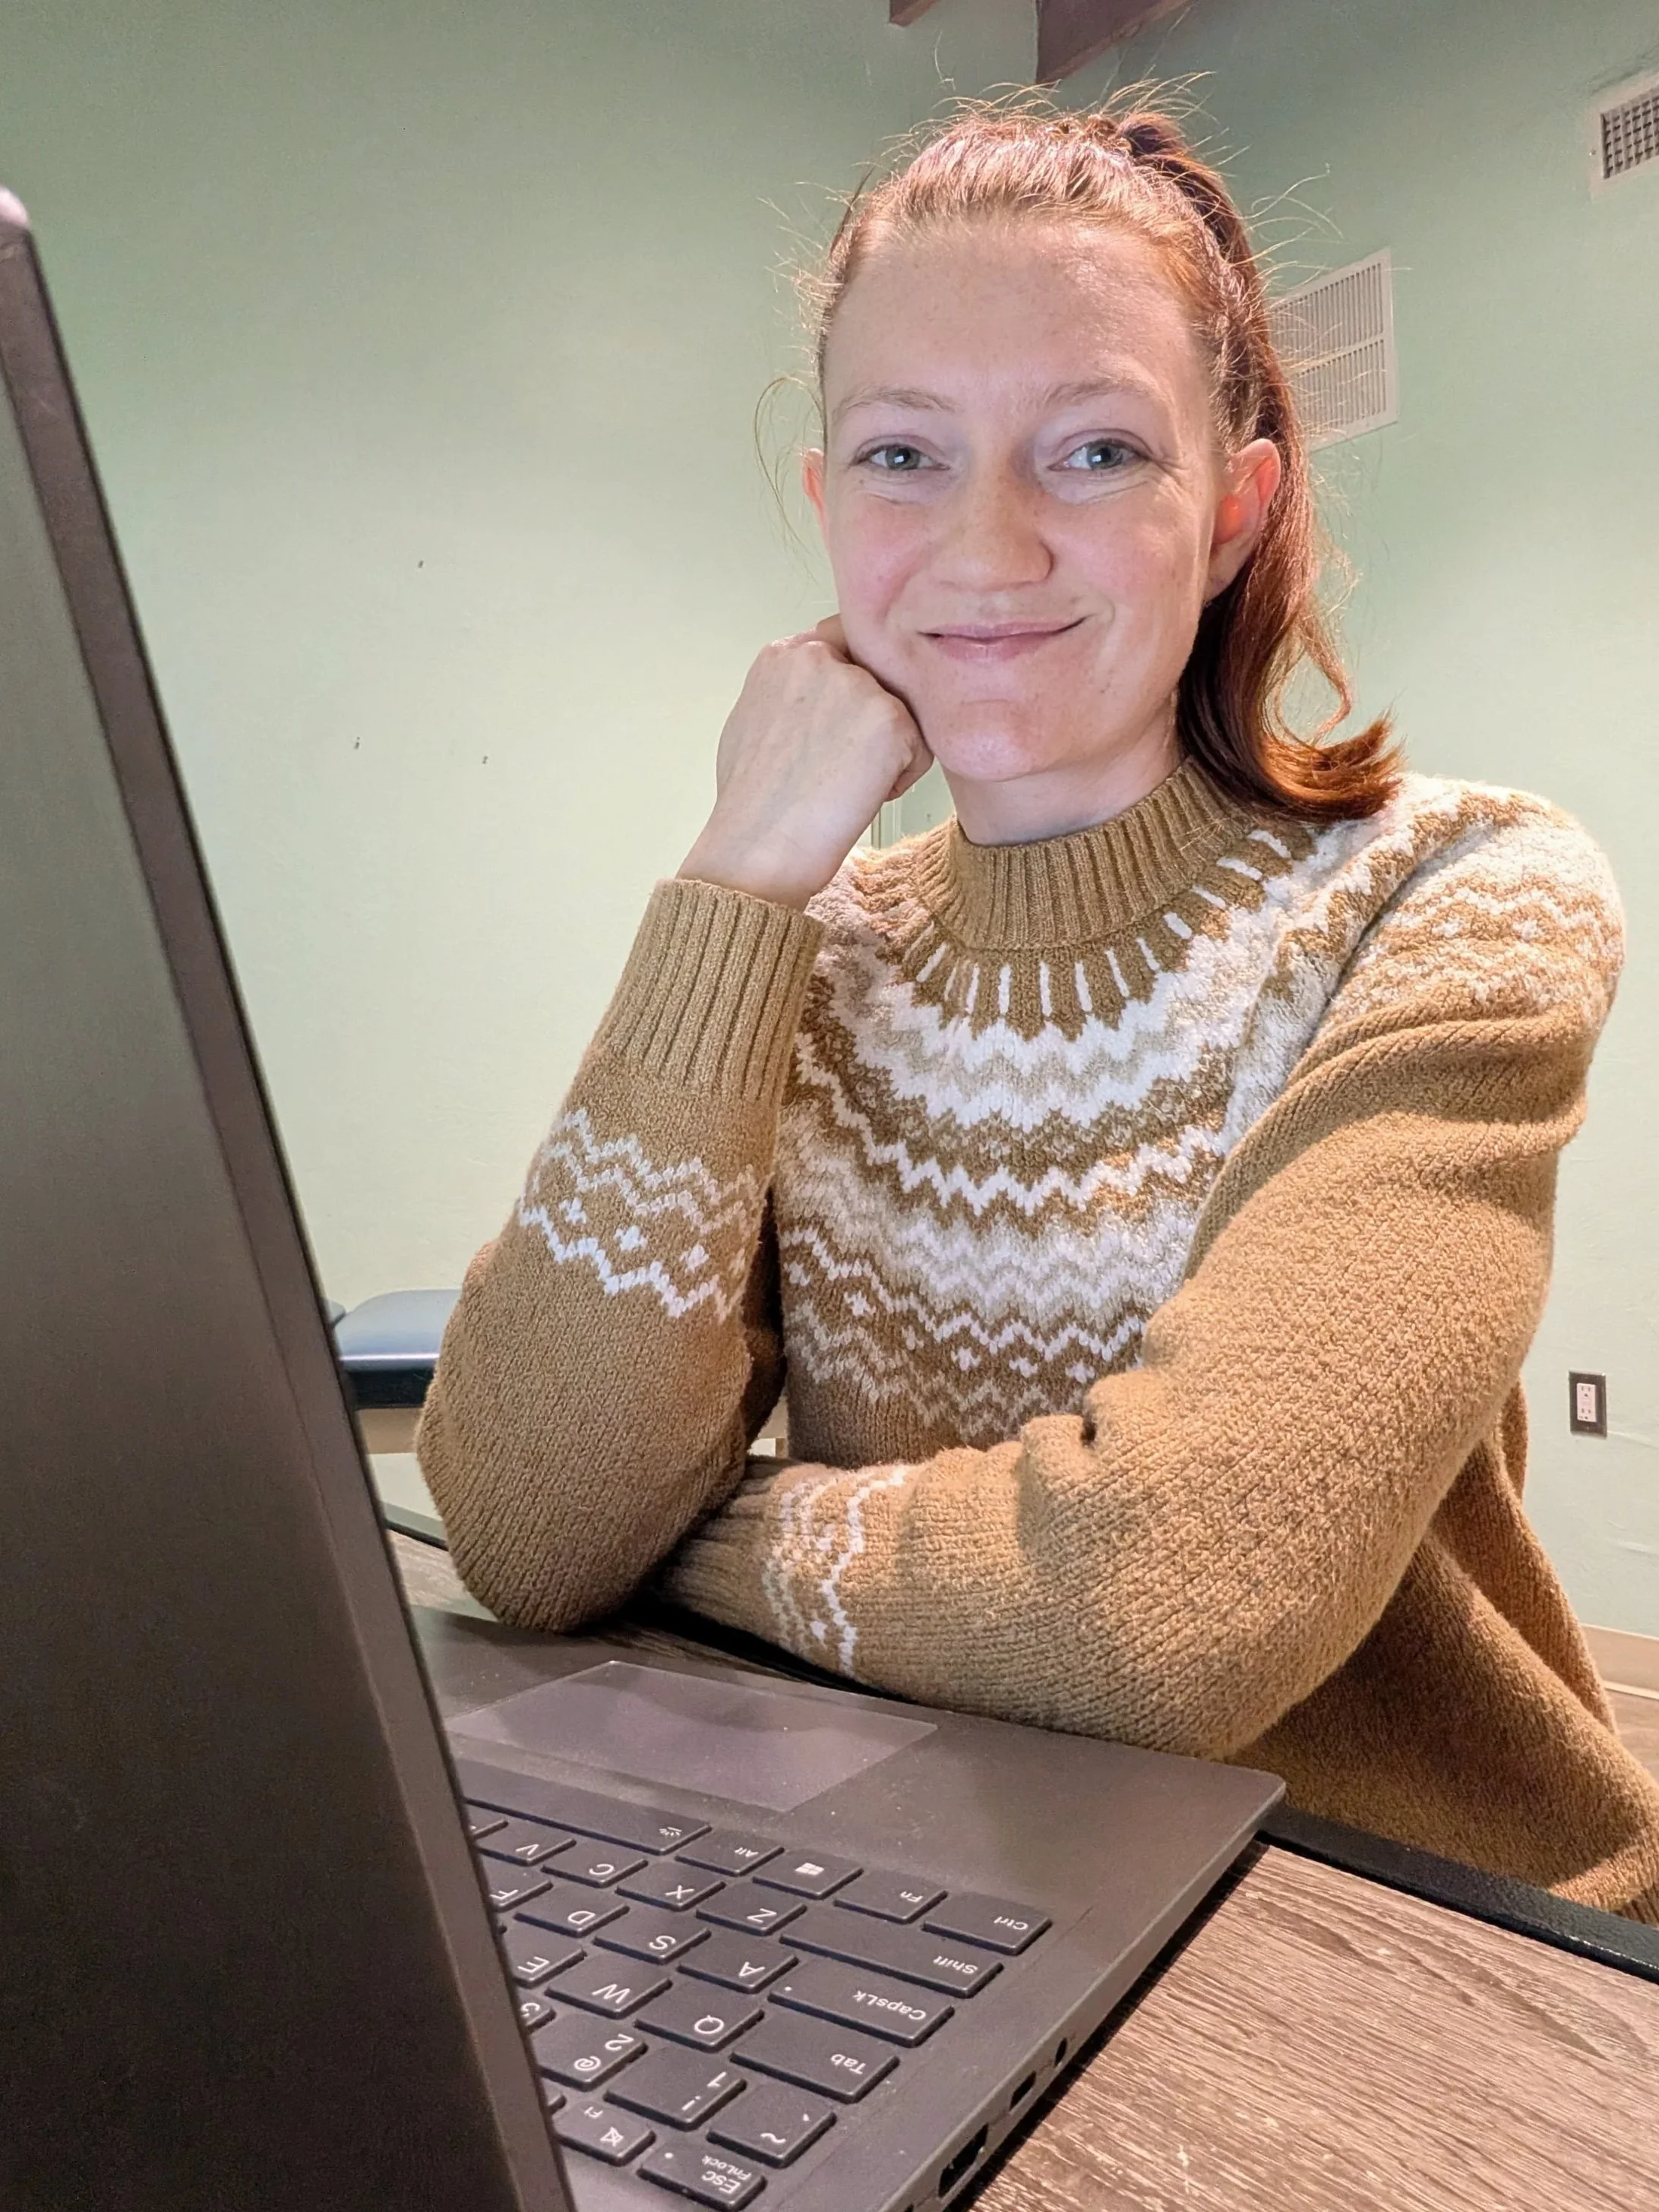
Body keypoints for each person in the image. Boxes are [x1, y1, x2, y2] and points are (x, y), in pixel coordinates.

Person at [417, 99, 1659, 1920]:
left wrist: (689, 1532)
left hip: (1411, 1922)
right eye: (905, 454)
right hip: (950, 1873)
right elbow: (527, 1522)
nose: (987, 547)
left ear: (1230, 513)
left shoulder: (1458, 896)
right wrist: (738, 876)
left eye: (1094, 450)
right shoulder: (802, 953)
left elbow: (1156, 1615)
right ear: (828, 508)